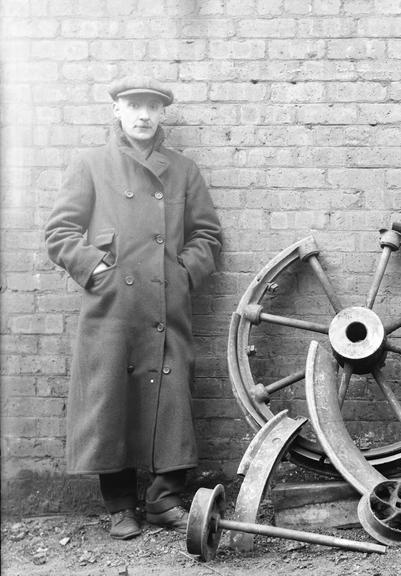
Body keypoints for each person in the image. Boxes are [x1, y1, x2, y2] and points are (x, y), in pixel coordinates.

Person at [45, 76, 222, 540]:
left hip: (165, 303)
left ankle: (165, 499)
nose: (143, 115)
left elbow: (207, 235)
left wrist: (182, 275)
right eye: (133, 106)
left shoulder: (183, 170)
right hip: (113, 305)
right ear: (117, 111)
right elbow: (60, 232)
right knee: (111, 398)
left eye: (152, 107)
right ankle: (120, 504)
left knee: (172, 396)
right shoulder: (91, 164)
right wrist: (94, 268)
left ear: (163, 114)